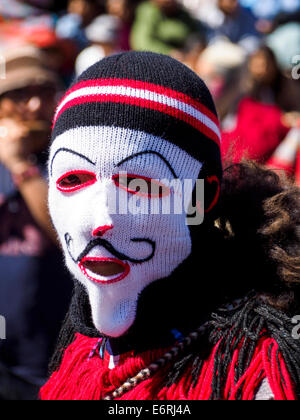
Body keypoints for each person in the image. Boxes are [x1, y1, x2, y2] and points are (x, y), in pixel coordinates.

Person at [40, 52, 300, 400]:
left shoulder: (256, 373)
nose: (97, 222)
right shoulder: (82, 342)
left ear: (200, 198)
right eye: (73, 179)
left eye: (138, 185)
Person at [0, 45, 72, 400]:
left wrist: (21, 169)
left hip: (52, 352)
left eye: (42, 94)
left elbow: (69, 236)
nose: (32, 107)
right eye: (17, 96)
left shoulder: (66, 159)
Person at [130, 0, 205, 55]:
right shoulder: (148, 11)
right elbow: (141, 43)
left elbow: (195, 35)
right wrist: (170, 52)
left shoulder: (183, 14)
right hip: (158, 58)